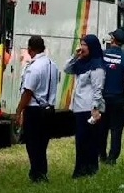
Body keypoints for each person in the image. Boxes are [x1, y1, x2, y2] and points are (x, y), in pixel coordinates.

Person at [14, 35, 59, 183]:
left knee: (32, 143)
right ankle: (41, 171)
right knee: (42, 143)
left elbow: (28, 92)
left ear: (30, 49)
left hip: (35, 109)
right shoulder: (53, 65)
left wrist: (19, 111)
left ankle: (37, 172)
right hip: (49, 108)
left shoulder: (34, 68)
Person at [63, 35, 105, 179]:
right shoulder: (80, 63)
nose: (82, 47)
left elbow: (97, 89)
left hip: (89, 108)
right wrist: (75, 56)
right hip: (79, 107)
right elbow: (67, 69)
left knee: (89, 139)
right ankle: (81, 168)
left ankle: (89, 168)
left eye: (85, 45)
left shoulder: (96, 65)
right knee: (80, 140)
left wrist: (95, 109)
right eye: (81, 44)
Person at [99, 28, 124, 166]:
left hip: (102, 97)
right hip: (118, 98)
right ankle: (112, 157)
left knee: (101, 128)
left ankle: (101, 154)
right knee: (116, 129)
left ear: (113, 40)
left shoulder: (102, 55)